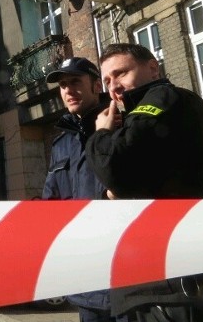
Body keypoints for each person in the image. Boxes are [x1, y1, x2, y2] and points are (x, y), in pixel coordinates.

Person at [86, 43, 203, 322]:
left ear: (152, 68)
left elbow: (115, 166)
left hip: (177, 289)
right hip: (167, 285)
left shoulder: (164, 98)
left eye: (121, 73)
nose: (114, 86)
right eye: (108, 80)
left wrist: (101, 134)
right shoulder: (140, 117)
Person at [43, 57, 117, 322]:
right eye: (63, 85)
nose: (68, 90)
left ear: (97, 85)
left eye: (76, 82)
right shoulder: (62, 142)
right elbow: (51, 203)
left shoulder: (120, 126)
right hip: (85, 280)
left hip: (124, 277)